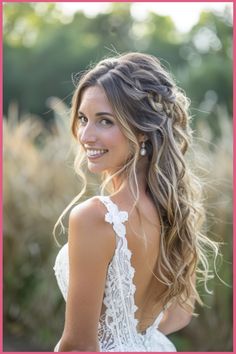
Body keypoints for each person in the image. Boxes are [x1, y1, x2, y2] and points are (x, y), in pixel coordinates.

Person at [53, 52, 218, 352]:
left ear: (141, 130)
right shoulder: (176, 210)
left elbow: (78, 346)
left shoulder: (94, 217)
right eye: (82, 119)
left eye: (105, 121)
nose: (86, 135)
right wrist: (134, 340)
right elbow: (179, 314)